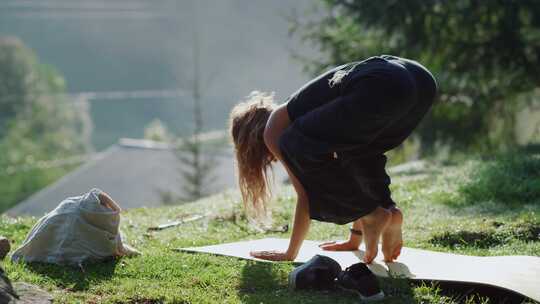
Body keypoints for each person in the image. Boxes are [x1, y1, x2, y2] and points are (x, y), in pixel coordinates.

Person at [229, 55, 438, 263]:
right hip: (419, 83)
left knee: (294, 144)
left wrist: (290, 253)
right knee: (360, 153)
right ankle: (387, 211)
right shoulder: (315, 115)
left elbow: (305, 195)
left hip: (381, 82)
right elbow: (353, 167)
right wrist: (354, 240)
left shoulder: (273, 130)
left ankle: (374, 214)